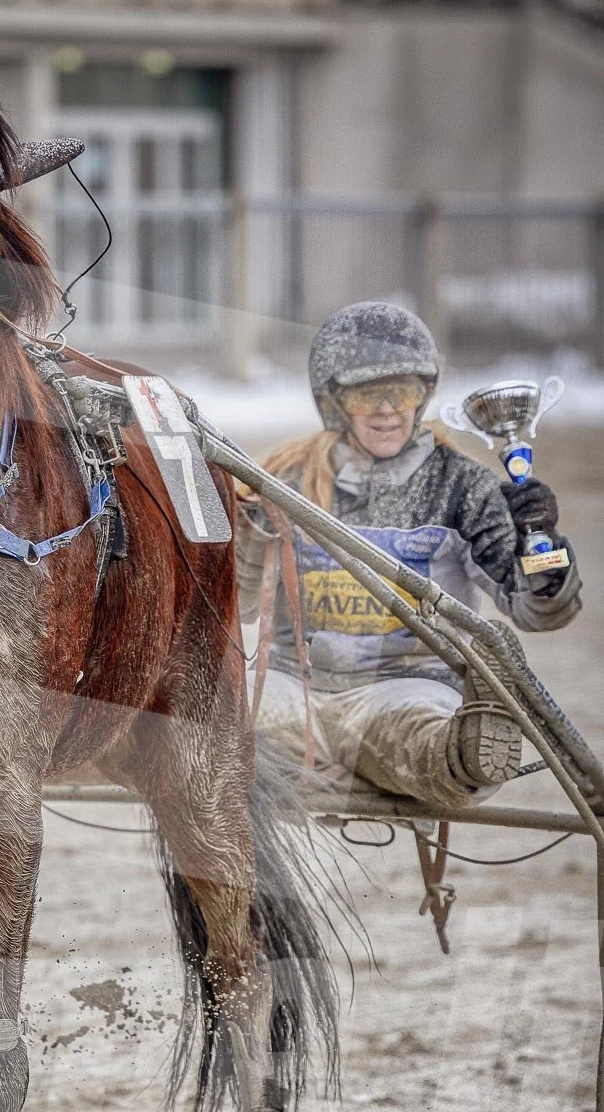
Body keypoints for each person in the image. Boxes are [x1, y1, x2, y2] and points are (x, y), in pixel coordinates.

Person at [236, 302, 582, 811]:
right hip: (293, 686)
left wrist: (543, 548)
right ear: (333, 400)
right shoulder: (285, 481)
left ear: (423, 397)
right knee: (223, 710)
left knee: (415, 733)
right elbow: (238, 602)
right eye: (365, 393)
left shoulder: (462, 487)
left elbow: (534, 609)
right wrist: (239, 527)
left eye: (403, 391)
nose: (387, 408)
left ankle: (465, 755)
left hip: (407, 687)